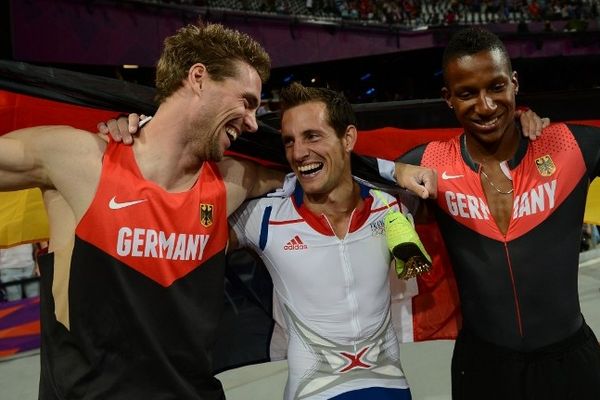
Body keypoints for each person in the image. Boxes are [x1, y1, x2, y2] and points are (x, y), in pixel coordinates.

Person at [0, 22, 437, 399]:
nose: (251, 123)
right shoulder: (79, 159)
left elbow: (318, 168)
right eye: (247, 101)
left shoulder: (232, 182)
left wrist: (391, 167)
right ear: (198, 77)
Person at [399, 27, 600, 399]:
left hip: (572, 366)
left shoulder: (568, 145)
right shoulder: (427, 164)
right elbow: (348, 178)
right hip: (483, 371)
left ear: (515, 83)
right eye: (466, 93)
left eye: (496, 87)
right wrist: (396, 172)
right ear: (447, 98)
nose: (486, 105)